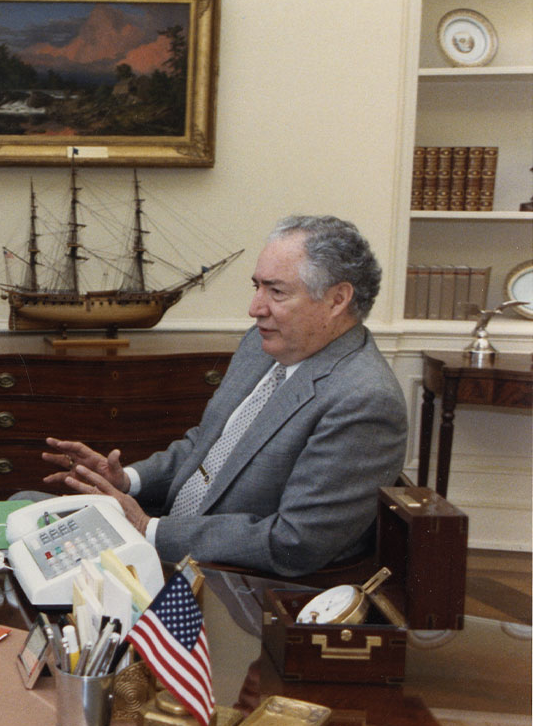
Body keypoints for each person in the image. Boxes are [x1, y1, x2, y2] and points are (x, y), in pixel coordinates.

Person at [40, 215, 407, 577]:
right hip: (174, 535)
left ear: (337, 299)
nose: (255, 308)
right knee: (25, 512)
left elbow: (295, 542)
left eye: (276, 291)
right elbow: (205, 446)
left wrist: (147, 529)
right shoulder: (262, 344)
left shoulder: (364, 400)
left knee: (35, 552)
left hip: (228, 582)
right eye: (257, 287)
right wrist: (127, 481)